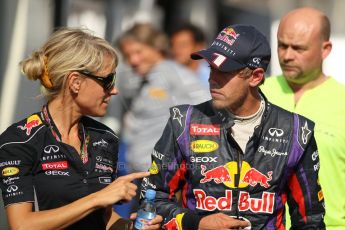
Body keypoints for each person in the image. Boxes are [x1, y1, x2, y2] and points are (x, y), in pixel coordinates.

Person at [140, 24, 326, 229]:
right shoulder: (183, 122)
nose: (212, 79)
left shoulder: (297, 131)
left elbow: (311, 220)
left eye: (224, 71)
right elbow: (152, 197)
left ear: (255, 76)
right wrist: (198, 223)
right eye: (212, 68)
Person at [0, 28, 162, 230]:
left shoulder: (105, 138)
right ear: (75, 82)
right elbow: (22, 225)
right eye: (108, 80)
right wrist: (98, 198)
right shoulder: (19, 140)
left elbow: (105, 216)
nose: (114, 90)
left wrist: (131, 227)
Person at [260, 7, 345, 229]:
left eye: (298, 48)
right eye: (282, 45)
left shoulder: (342, 101)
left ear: (325, 49)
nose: (287, 56)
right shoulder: (255, 93)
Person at [116, 23, 209, 174]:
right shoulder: (144, 78)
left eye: (138, 52)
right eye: (127, 56)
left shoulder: (173, 73)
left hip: (163, 177)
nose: (133, 60)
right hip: (138, 171)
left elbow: (210, 108)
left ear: (156, 46)